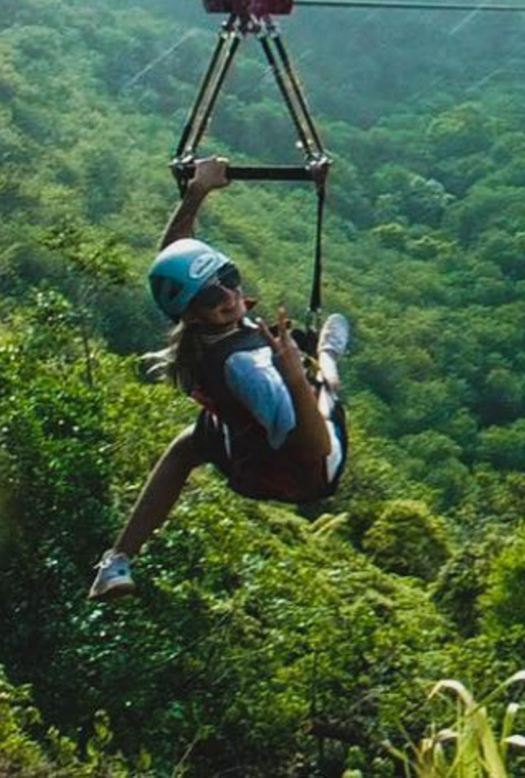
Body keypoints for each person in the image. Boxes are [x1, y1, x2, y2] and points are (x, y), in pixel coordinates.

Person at [89, 156, 349, 600]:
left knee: (189, 445)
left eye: (229, 279)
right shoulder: (247, 368)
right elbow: (315, 448)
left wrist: (198, 191)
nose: (229, 296)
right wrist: (299, 377)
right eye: (213, 295)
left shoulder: (195, 341)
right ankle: (327, 354)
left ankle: (116, 562)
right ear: (192, 310)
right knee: (330, 385)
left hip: (251, 447)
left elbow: (172, 261)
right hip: (310, 467)